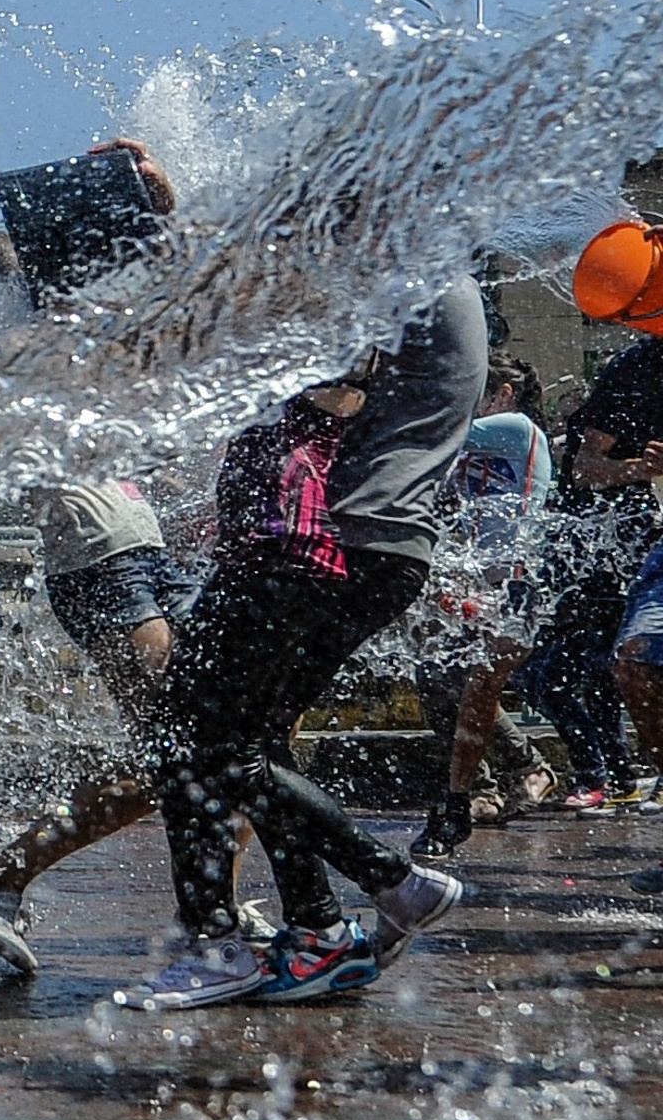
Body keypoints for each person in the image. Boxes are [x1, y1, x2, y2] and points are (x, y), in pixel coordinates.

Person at [128, 285, 485, 1009]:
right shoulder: (419, 268)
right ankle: (320, 934)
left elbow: (334, 367)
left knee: (188, 742)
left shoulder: (406, 266)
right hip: (343, 544)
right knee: (245, 744)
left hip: (314, 546)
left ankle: (255, 932)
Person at [0, 478, 203, 976]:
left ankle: (212, 907)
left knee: (238, 740)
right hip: (100, 565)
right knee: (175, 755)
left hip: (155, 556)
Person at [517, 319, 663, 811]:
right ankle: (611, 774)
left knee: (585, 671)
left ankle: (608, 774)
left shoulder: (635, 377)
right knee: (583, 671)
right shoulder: (634, 371)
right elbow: (585, 469)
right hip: (592, 555)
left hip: (617, 552)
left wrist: (640, 470)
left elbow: (585, 469)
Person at [412, 355, 554, 857]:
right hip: (475, 582)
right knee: (435, 677)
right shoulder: (479, 446)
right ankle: (491, 786)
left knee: (476, 682)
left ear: (506, 393)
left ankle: (479, 790)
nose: (470, 402)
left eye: (479, 392)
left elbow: (440, 435)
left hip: (519, 580)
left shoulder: (517, 429)